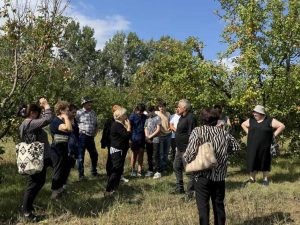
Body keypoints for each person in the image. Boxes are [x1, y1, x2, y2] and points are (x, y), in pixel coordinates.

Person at [183, 107, 240, 225]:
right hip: (219, 176)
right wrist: (223, 153)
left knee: (203, 208)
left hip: (201, 175)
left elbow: (189, 154)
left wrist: (188, 160)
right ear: (217, 119)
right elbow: (236, 147)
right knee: (219, 206)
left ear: (202, 119)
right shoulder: (224, 133)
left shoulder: (198, 131)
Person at [18, 98, 52, 222]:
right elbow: (48, 119)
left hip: (37, 157)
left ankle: (28, 207)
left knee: (38, 182)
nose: (38, 114)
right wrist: (46, 105)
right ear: (32, 112)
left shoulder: (28, 123)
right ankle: (26, 212)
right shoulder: (29, 123)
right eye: (37, 112)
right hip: (34, 158)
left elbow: (43, 121)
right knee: (33, 184)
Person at [241, 105, 285, 186]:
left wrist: (273, 135)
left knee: (265, 160)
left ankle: (265, 179)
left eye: (256, 113)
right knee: (252, 160)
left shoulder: (269, 120)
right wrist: (248, 132)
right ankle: (252, 179)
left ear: (261, 113)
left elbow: (282, 126)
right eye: (253, 112)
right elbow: (243, 124)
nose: (254, 114)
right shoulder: (251, 120)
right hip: (252, 145)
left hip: (265, 145)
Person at [172, 99, 196, 199]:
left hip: (186, 149)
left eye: (179, 107)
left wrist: (189, 150)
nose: (177, 108)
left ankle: (190, 193)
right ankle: (179, 188)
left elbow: (192, 134)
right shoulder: (182, 117)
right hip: (179, 148)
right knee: (176, 166)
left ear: (184, 108)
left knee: (190, 172)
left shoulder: (190, 118)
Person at [105, 107, 131, 195]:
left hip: (119, 149)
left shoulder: (120, 124)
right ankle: (108, 190)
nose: (126, 116)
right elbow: (126, 136)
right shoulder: (117, 125)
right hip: (116, 150)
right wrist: (129, 127)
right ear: (120, 116)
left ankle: (114, 188)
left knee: (119, 170)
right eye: (125, 115)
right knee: (116, 169)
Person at [101, 105, 129, 182]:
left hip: (123, 144)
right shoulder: (109, 121)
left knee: (121, 160)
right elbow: (105, 133)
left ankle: (120, 175)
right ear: (114, 112)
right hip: (113, 144)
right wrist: (103, 143)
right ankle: (110, 175)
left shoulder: (125, 121)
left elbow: (127, 134)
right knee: (111, 160)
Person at [50, 100, 72, 199]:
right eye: (67, 110)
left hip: (64, 149)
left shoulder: (62, 120)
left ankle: (60, 190)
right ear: (61, 110)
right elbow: (68, 129)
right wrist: (66, 118)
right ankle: (54, 193)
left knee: (64, 170)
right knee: (58, 170)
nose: (69, 112)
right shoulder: (56, 121)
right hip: (57, 150)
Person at [76, 97, 100, 180]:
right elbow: (74, 124)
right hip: (81, 136)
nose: (90, 104)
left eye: (90, 102)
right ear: (83, 104)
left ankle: (94, 172)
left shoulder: (93, 112)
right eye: (88, 102)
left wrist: (95, 133)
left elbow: (96, 125)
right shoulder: (78, 112)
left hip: (90, 137)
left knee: (94, 155)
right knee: (80, 157)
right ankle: (81, 175)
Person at [63, 104, 80, 189]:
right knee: (65, 165)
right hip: (67, 146)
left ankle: (65, 181)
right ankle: (62, 183)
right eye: (73, 112)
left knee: (70, 164)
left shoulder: (75, 120)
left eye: (75, 112)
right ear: (68, 112)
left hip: (74, 145)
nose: (74, 114)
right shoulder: (64, 121)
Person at [129, 103, 147, 177]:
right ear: (136, 110)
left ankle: (140, 170)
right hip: (134, 138)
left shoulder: (145, 117)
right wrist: (129, 139)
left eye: (142, 111)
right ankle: (133, 170)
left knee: (141, 154)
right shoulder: (132, 116)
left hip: (142, 138)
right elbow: (129, 128)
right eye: (140, 111)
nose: (141, 113)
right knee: (134, 154)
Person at [144, 105, 161, 178]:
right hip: (148, 139)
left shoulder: (157, 118)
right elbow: (145, 127)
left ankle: (157, 171)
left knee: (155, 155)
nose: (147, 114)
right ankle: (150, 170)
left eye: (148, 112)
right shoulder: (147, 118)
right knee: (149, 155)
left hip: (155, 139)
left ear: (153, 111)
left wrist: (150, 137)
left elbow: (158, 129)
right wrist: (147, 136)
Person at [155, 100, 172, 173]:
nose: (161, 108)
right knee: (161, 153)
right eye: (160, 107)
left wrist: (169, 128)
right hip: (160, 135)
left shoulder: (168, 113)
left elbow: (170, 122)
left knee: (166, 152)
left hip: (168, 134)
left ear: (165, 107)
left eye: (162, 106)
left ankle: (165, 167)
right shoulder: (156, 113)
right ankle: (160, 167)